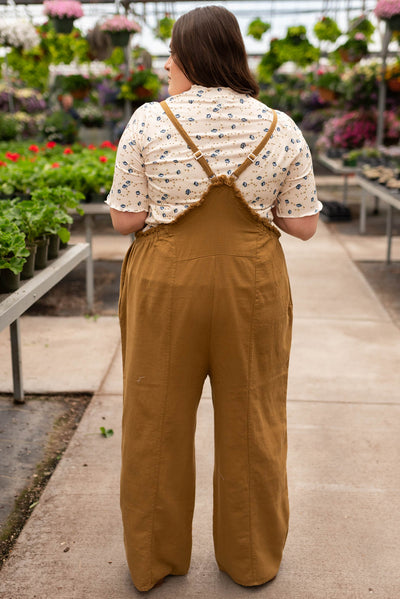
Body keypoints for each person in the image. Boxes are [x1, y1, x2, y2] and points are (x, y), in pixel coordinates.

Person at [106, 5, 322, 592]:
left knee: (155, 422)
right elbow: (303, 226)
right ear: (236, 54)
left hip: (164, 288)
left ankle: (155, 561)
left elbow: (125, 219)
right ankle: (250, 561)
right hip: (251, 287)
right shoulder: (280, 126)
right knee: (254, 420)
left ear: (184, 57)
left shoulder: (149, 122)